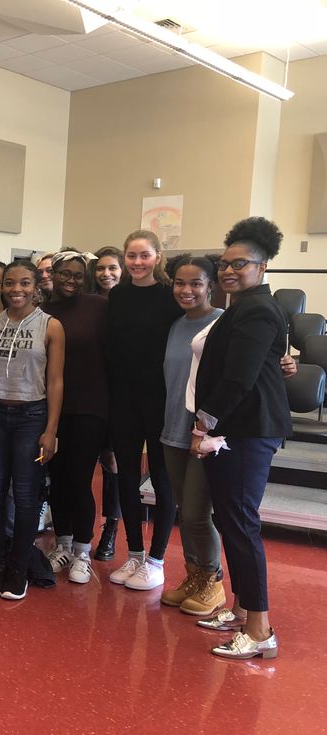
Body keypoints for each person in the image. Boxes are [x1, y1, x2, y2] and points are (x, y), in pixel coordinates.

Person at [193, 217, 292, 660]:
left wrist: (203, 424)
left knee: (241, 524)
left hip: (247, 430)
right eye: (224, 263)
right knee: (232, 522)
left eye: (240, 264)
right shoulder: (244, 306)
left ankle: (259, 629)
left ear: (262, 265)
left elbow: (238, 379)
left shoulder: (257, 309)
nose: (228, 271)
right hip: (237, 428)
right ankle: (240, 609)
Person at [0, 259, 64, 599]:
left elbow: (55, 381)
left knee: (24, 496)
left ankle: (18, 568)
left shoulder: (51, 326)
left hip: (31, 417)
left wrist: (51, 429)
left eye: (24, 283)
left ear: (35, 287)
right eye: (9, 283)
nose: (15, 289)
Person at [107, 231, 183, 591]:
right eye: (131, 256)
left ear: (158, 256)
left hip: (161, 400)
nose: (137, 262)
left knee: (162, 480)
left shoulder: (171, 295)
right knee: (125, 477)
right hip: (124, 399)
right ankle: (135, 554)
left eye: (144, 255)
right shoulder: (118, 295)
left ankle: (156, 560)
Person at [158, 255, 226, 614]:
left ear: (210, 286)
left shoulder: (222, 324)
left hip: (205, 433)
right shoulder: (176, 325)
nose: (186, 290)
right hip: (173, 429)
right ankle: (194, 575)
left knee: (199, 512)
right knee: (185, 511)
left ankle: (213, 581)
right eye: (180, 283)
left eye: (195, 283)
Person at [41, 251, 106, 585]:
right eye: (65, 274)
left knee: (79, 480)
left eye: (78, 275)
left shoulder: (98, 306)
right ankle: (62, 544)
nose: (70, 280)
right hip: (52, 409)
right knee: (57, 479)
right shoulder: (42, 312)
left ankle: (82, 550)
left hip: (89, 408)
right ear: (53, 274)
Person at [87, 245, 124, 560]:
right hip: (89, 393)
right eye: (101, 268)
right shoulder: (87, 302)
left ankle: (111, 528)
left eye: (112, 268)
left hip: (120, 395)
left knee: (112, 463)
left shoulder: (128, 303)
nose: (106, 273)